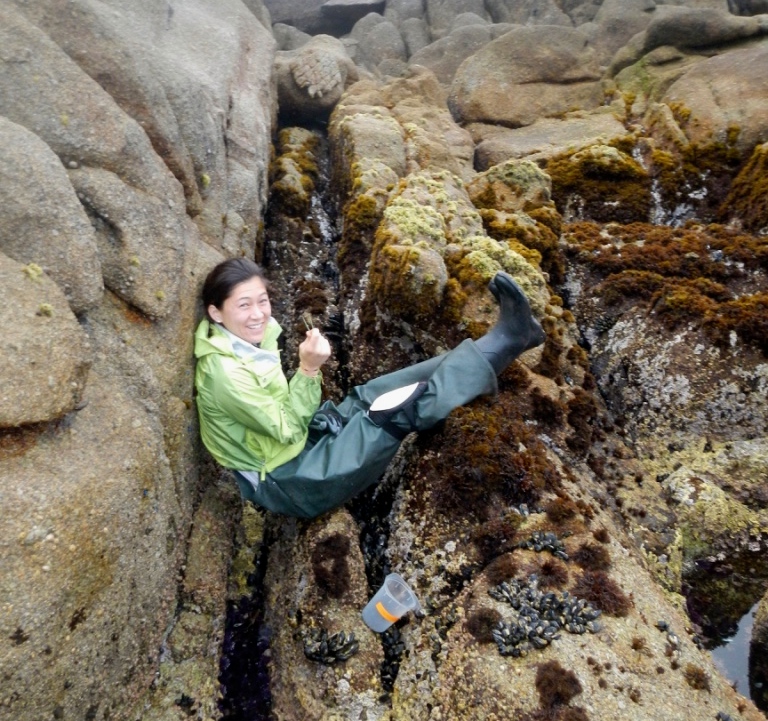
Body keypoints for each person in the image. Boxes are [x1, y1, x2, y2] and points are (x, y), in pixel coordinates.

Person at [194, 258, 545, 519]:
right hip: (291, 480)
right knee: (392, 413)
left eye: (262, 300)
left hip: (295, 445)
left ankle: (503, 343)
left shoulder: (238, 339)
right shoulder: (224, 374)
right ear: (216, 312)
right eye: (244, 305)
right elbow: (286, 429)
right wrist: (308, 369)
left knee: (370, 393)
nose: (258, 314)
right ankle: (508, 340)